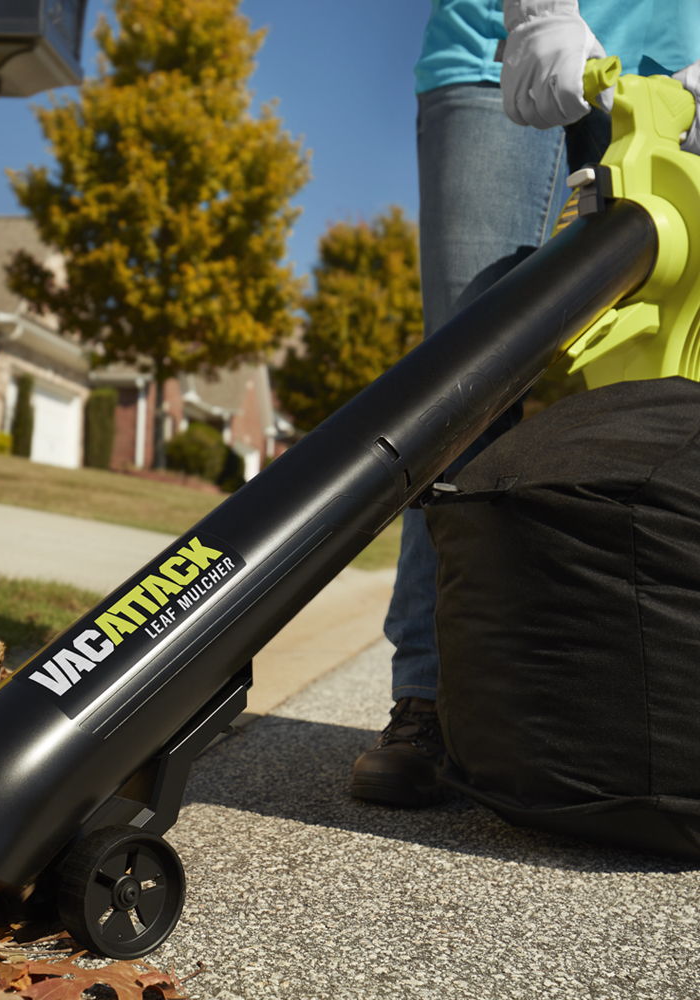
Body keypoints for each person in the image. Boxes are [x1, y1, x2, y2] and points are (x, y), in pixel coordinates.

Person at [351, 0, 700, 808]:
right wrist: (539, 12)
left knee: (668, 407)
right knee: (463, 393)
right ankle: (429, 702)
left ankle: (652, 715)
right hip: (499, 54)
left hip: (673, 77)